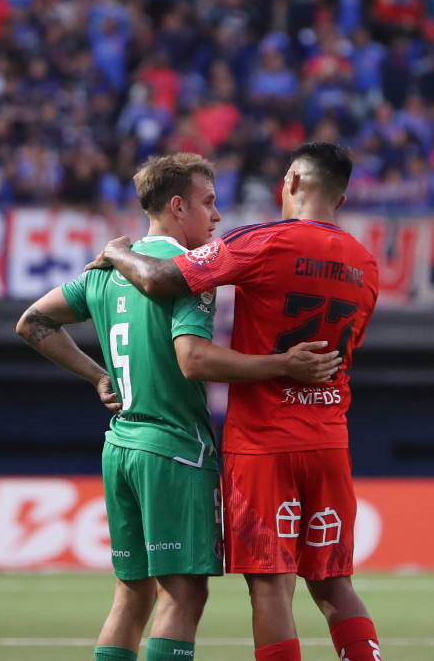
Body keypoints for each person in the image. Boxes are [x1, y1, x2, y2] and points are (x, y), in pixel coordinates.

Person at [15, 153, 340, 661]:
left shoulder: (105, 271)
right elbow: (195, 359)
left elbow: (32, 322)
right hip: (174, 449)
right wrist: (283, 365)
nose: (216, 216)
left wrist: (97, 375)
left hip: (120, 445)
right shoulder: (190, 274)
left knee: (131, 597)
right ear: (177, 206)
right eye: (208, 203)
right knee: (183, 596)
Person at [91, 142, 383, 661]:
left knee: (270, 587)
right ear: (340, 199)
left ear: (293, 182)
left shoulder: (262, 241)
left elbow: (159, 279)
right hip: (329, 437)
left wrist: (116, 252)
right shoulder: (367, 264)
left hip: (263, 443)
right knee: (335, 585)